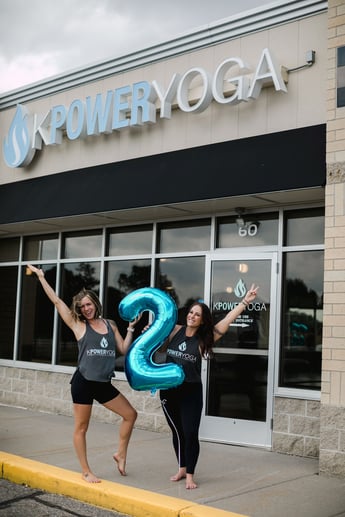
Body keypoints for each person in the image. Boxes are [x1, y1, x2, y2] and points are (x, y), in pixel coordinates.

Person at [27, 264, 140, 483]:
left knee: (130, 415)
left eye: (88, 304)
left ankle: (120, 454)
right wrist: (41, 277)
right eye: (82, 306)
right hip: (84, 382)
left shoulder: (110, 324)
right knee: (81, 427)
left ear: (95, 303)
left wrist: (131, 328)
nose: (86, 308)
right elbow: (56, 301)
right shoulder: (78, 325)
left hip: (103, 383)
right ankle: (86, 471)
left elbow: (124, 350)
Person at [159, 284, 259, 490]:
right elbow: (157, 344)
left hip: (191, 391)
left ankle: (190, 475)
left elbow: (226, 321)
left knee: (190, 432)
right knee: (176, 431)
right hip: (168, 390)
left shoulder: (205, 338)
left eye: (197, 315)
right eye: (191, 312)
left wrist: (244, 302)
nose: (192, 316)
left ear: (202, 320)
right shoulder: (174, 330)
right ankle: (181, 467)